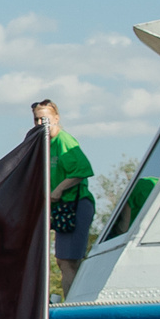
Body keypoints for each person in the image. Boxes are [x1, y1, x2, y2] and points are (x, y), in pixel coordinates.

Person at [34, 100, 98, 295]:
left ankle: (75, 303)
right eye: (36, 119)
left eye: (44, 119)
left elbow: (83, 170)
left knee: (69, 261)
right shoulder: (46, 143)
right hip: (61, 209)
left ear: (56, 118)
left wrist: (59, 189)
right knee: (61, 261)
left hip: (75, 205)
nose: (40, 124)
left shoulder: (64, 141)